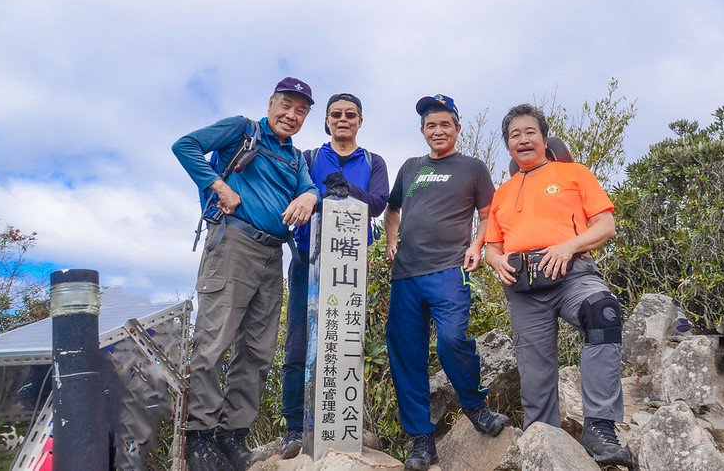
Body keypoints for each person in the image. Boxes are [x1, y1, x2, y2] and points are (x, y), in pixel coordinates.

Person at [172, 77, 320, 471]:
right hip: (233, 244)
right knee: (213, 342)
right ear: (270, 102)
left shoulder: (294, 158)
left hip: (273, 255)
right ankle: (199, 437)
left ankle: (232, 435)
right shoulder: (243, 129)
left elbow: (312, 189)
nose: (291, 115)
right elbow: (184, 145)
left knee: (257, 351)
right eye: (286, 105)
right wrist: (218, 185)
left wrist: (308, 195)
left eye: (301, 110)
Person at [484, 103, 632, 466]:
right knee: (534, 377)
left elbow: (605, 226)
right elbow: (491, 245)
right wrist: (496, 260)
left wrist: (569, 246)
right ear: (508, 146)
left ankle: (599, 427)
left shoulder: (574, 174)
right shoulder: (502, 193)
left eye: (529, 132)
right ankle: (545, 445)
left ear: (544, 138)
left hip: (572, 273)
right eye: (514, 135)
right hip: (523, 286)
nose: (523, 139)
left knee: (604, 313)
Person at [384, 94, 508, 471]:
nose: (437, 130)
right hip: (406, 274)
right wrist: (391, 237)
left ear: (457, 128)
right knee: (406, 355)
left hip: (449, 270)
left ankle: (474, 406)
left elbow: (488, 215)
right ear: (423, 131)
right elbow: (392, 210)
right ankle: (421, 440)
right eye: (430, 125)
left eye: (444, 124)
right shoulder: (410, 168)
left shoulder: (472, 168)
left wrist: (477, 243)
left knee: (453, 339)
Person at [279, 93, 389, 458]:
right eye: (336, 115)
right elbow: (295, 195)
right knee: (298, 342)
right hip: (308, 262)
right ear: (326, 121)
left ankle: (346, 424)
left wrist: (346, 188)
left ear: (360, 121)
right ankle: (294, 427)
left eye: (351, 115)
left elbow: (377, 202)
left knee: (349, 342)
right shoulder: (307, 158)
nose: (343, 120)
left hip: (353, 265)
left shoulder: (373, 161)